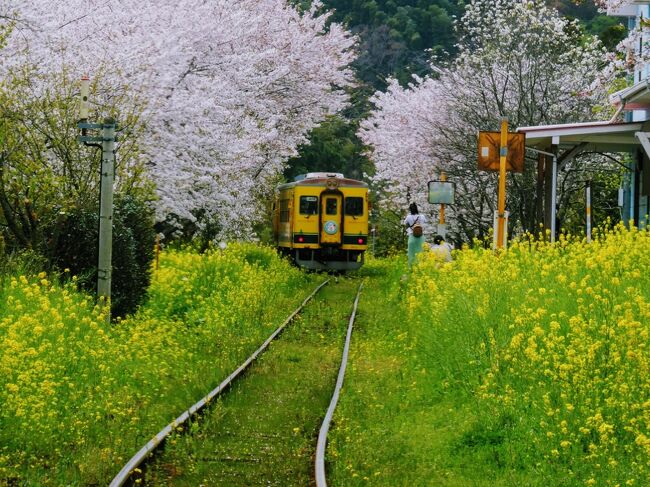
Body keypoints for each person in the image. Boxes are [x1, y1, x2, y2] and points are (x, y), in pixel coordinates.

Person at [404, 202, 426, 266]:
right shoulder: (422, 216)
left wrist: (410, 231)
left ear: (410, 210)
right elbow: (425, 225)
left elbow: (406, 225)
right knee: (421, 253)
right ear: (417, 209)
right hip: (421, 237)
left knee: (411, 254)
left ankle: (411, 268)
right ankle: (420, 267)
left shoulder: (408, 217)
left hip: (412, 237)